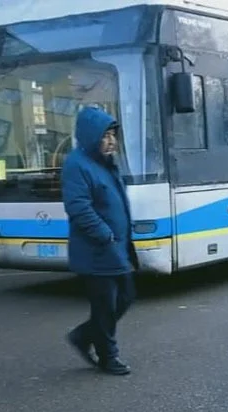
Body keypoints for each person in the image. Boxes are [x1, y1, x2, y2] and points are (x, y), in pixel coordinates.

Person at [63, 106, 138, 376]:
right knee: (105, 305)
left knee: (127, 296)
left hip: (115, 248)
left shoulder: (103, 163)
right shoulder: (76, 164)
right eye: (105, 135)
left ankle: (84, 336)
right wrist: (105, 234)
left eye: (113, 135)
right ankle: (109, 356)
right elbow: (78, 207)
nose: (111, 141)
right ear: (91, 135)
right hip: (97, 250)